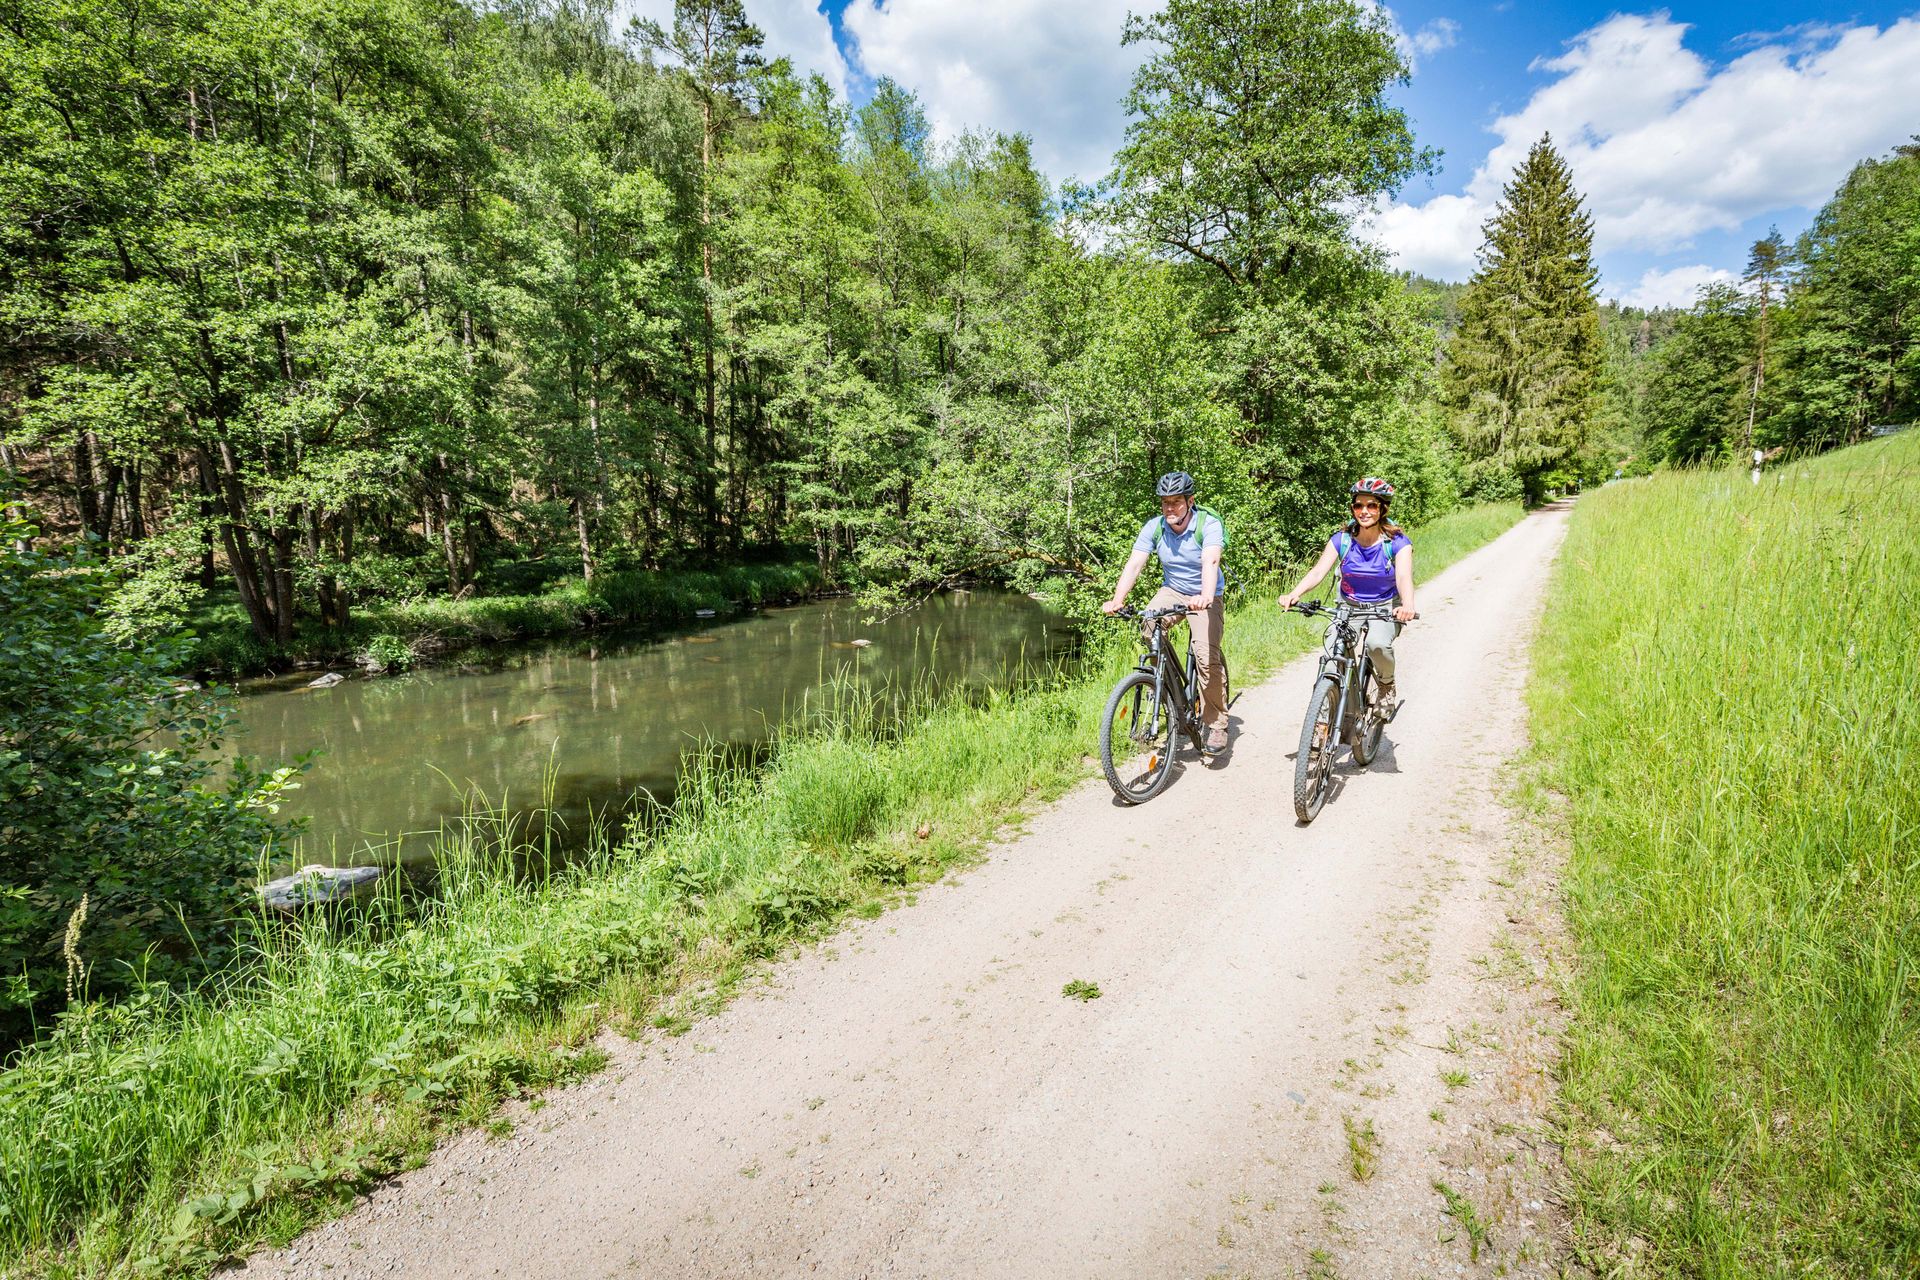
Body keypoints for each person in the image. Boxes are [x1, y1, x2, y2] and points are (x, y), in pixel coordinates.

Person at [1102, 471, 1230, 754]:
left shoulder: (1207, 525)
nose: (1170, 508)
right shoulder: (1155, 527)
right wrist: (1117, 600)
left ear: (1190, 501)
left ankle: (1217, 724)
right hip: (1173, 590)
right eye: (1165, 502)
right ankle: (1165, 686)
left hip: (1205, 594)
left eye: (1176, 502)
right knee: (1149, 625)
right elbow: (1135, 564)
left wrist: (1206, 596)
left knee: (1205, 657)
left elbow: (1211, 561)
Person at [1279, 478, 1417, 706]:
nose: (1364, 511)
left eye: (1371, 505)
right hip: (1348, 605)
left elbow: (1403, 577)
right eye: (1358, 505)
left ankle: (1386, 685)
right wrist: (1295, 593)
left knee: (1377, 644)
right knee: (1333, 652)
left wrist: (1408, 605)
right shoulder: (1342, 539)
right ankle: (1325, 710)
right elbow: (1318, 571)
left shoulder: (1397, 542)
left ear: (1382, 509)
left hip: (1385, 606)